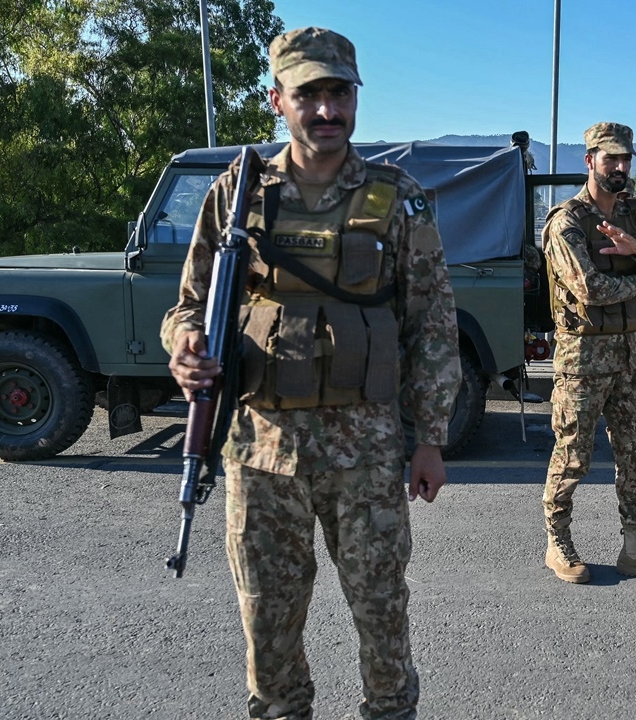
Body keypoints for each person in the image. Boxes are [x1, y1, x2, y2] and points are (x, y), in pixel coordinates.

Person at [162, 27, 461, 719]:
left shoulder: (397, 196)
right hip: (261, 452)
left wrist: (430, 438)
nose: (327, 111)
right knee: (268, 627)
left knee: (383, 618)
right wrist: (183, 345)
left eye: (339, 93)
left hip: (366, 453)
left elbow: (432, 322)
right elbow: (189, 304)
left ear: (354, 97)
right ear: (278, 100)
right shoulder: (238, 192)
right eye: (309, 95)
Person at [541, 121, 636, 585]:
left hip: (629, 359)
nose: (621, 168)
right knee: (572, 456)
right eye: (611, 159)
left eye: (626, 160)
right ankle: (557, 541)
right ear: (590, 161)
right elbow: (589, 289)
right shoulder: (566, 222)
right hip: (583, 362)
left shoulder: (632, 213)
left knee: (635, 455)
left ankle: (635, 547)